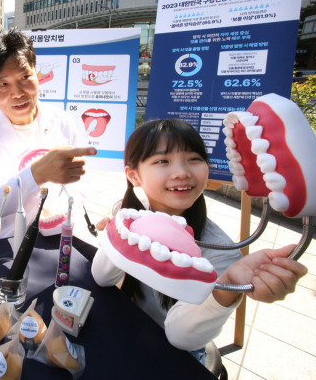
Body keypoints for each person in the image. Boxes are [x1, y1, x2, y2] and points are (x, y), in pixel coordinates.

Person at [91, 118, 307, 360]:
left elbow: (180, 336)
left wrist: (227, 287)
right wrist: (119, 234)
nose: (182, 172)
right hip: (127, 331)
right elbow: (102, 277)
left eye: (194, 159)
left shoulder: (222, 254)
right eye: (162, 161)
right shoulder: (130, 214)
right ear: (133, 176)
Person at [0, 28, 96, 253]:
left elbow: (82, 182)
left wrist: (62, 207)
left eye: (25, 77)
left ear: (36, 72)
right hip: (6, 242)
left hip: (59, 235)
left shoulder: (62, 119)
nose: (18, 93)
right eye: (3, 84)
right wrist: (37, 174)